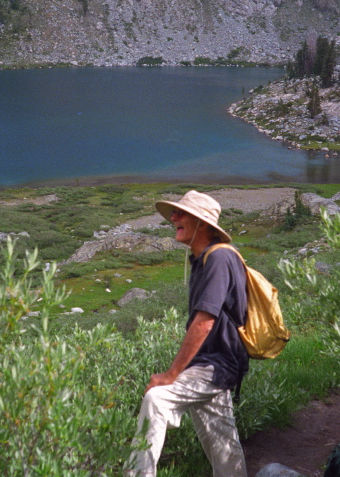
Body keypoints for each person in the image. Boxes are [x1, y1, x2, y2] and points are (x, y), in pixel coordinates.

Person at [125, 190, 249, 477]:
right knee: (223, 445)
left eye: (182, 214)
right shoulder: (204, 259)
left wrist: (171, 375)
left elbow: (204, 322)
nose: (173, 218)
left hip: (215, 365)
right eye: (174, 213)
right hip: (214, 366)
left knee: (156, 398)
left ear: (203, 224)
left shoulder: (217, 260)